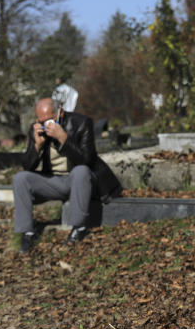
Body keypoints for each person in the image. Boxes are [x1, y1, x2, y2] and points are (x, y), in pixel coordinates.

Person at [13, 97, 121, 254]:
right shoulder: (36, 129)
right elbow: (28, 166)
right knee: (20, 178)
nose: (45, 124)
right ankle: (27, 233)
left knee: (80, 171)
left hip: (80, 181)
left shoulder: (82, 123)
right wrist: (36, 146)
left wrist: (63, 139)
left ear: (60, 113)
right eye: (41, 121)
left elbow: (87, 161)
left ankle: (79, 228)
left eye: (49, 120)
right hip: (55, 181)